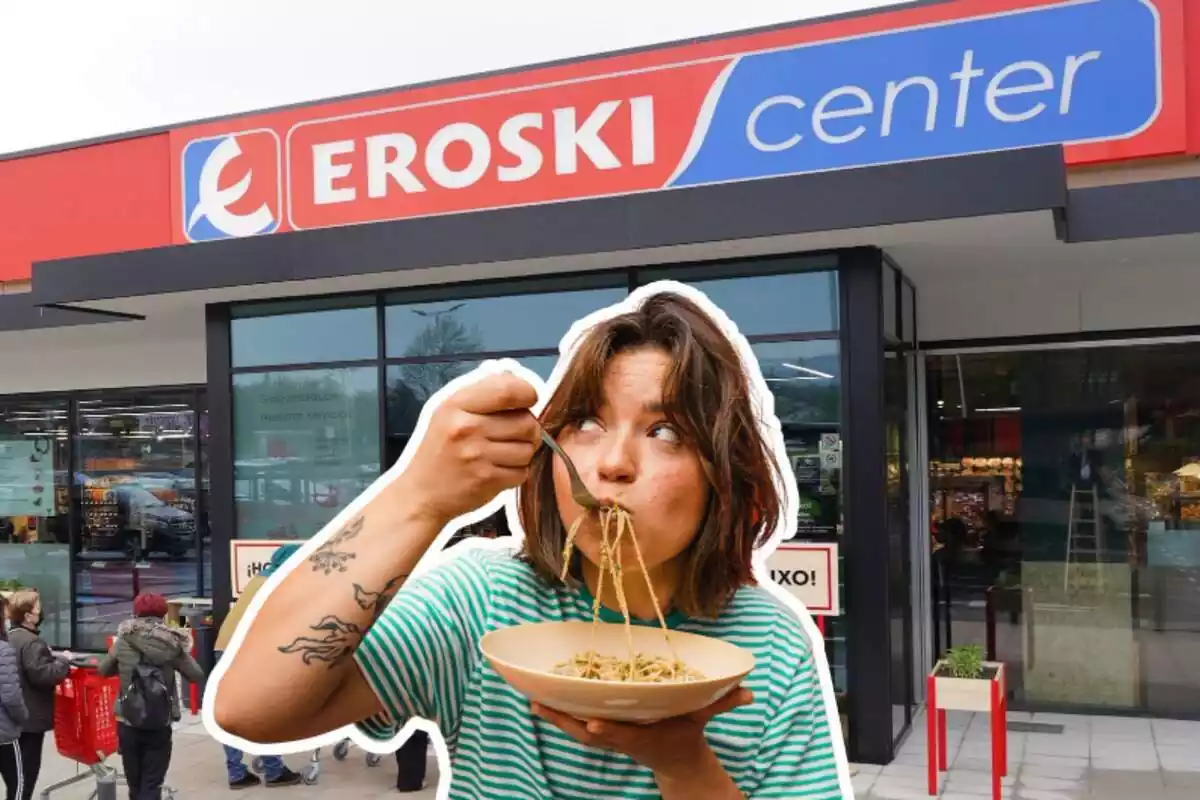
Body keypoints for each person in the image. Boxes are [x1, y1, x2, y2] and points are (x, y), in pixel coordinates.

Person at [214, 291, 846, 799]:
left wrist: (682, 764)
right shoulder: (480, 601)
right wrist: (417, 497)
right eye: (590, 423)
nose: (613, 463)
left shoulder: (769, 643)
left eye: (665, 431)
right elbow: (252, 711)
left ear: (722, 474)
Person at [98, 593, 204, 800]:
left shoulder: (123, 640)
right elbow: (196, 675)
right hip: (159, 719)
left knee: (134, 784)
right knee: (152, 783)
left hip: (128, 720)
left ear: (136, 612)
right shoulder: (172, 643)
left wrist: (124, 666)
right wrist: (178, 658)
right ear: (163, 613)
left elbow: (103, 670)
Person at [213, 547, 304, 790]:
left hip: (223, 648)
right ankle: (274, 771)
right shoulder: (284, 584)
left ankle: (236, 773)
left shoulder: (261, 578)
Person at [6, 590, 68, 800]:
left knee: (15, 776)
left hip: (12, 719)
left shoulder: (10, 638)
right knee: (26, 776)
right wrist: (63, 662)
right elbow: (43, 675)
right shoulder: (32, 642)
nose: (40, 612)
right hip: (31, 718)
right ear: (27, 615)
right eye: (37, 608)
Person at [0, 596, 29, 800]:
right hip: (4, 734)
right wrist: (22, 716)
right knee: (18, 784)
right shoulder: (3, 651)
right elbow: (10, 696)